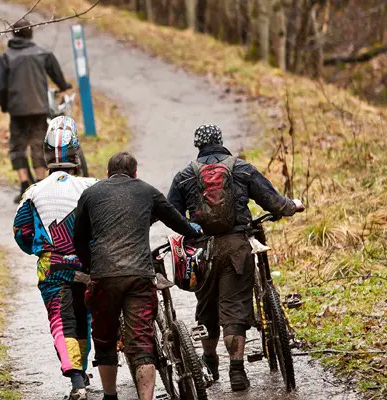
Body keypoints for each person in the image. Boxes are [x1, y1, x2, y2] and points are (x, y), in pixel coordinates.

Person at [167, 124, 304, 392]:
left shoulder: (184, 175)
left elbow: (172, 214)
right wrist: (293, 206)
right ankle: (237, 371)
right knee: (234, 309)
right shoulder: (242, 168)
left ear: (198, 146)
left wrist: (192, 231)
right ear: (221, 140)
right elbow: (274, 202)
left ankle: (208, 361)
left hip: (202, 251)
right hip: (236, 247)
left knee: (206, 307)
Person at [73, 152, 202, 400]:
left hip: (104, 276)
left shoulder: (90, 194)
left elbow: (78, 237)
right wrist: (193, 232)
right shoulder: (147, 191)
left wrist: (91, 266)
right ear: (135, 173)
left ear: (107, 173)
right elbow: (176, 220)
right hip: (139, 276)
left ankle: (110, 395)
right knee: (142, 341)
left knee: (105, 338)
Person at [12, 116, 97, 400]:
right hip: (87, 265)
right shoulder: (91, 186)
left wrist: (39, 250)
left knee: (62, 320)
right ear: (77, 153)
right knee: (84, 317)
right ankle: (82, 371)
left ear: (47, 153)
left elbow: (21, 232)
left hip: (53, 268)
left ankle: (77, 380)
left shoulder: (33, 192)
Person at [0, 18, 72, 202]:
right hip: (39, 108)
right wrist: (63, 85)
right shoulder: (42, 53)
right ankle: (40, 184)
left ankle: (23, 186)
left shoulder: (5, 57)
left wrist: (6, 105)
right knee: (38, 144)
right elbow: (57, 75)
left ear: (13, 34)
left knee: (18, 146)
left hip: (17, 110)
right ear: (31, 34)